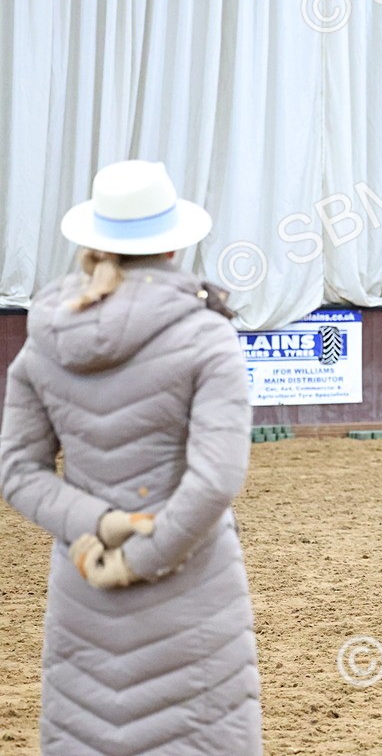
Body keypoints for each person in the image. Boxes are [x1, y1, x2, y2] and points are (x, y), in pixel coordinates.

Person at [0, 160, 262, 754]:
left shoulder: (46, 336)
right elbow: (216, 477)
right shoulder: (206, 334)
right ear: (173, 249)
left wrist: (98, 526)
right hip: (193, 589)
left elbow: (17, 470)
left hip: (84, 586)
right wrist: (144, 553)